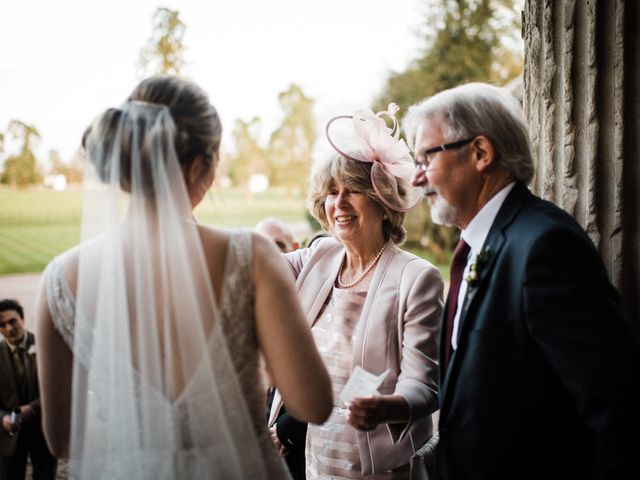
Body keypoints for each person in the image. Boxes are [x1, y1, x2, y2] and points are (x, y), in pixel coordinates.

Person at [34, 75, 332, 479]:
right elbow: (313, 403)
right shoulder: (251, 256)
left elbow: (63, 440)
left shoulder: (60, 279)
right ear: (199, 165)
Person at [404, 82, 640, 480]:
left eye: (426, 157)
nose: (416, 178)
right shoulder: (483, 244)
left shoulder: (544, 246)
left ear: (481, 153)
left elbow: (615, 406)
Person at [268, 104, 444, 479]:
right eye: (332, 193)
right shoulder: (319, 255)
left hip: (375, 468)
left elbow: (425, 386)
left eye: (353, 191)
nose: (339, 204)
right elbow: (255, 262)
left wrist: (387, 407)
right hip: (313, 460)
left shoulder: (417, 279)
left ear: (383, 201)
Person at [0, 299, 57, 480]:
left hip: (43, 431)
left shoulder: (46, 346)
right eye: (2, 325)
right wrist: (2, 419)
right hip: (10, 436)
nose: (9, 329)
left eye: (12, 321)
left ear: (22, 319)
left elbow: (58, 390)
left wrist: (33, 408)